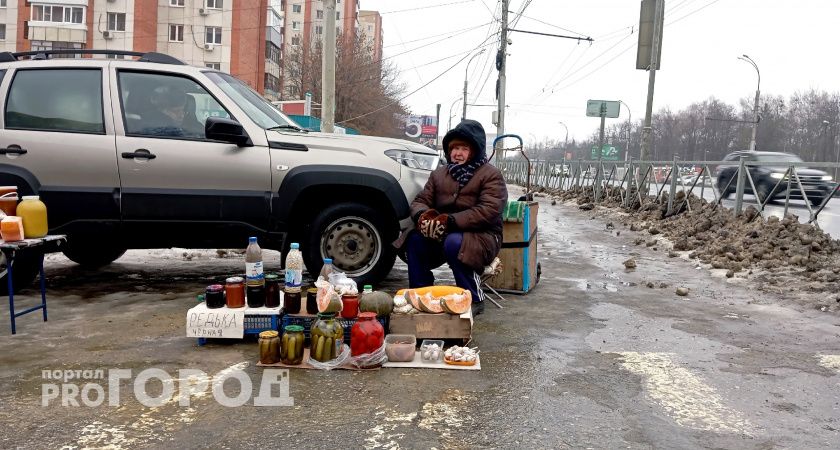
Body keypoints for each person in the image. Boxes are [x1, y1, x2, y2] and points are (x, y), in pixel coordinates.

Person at [397, 119, 507, 316]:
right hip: (444, 233)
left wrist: (450, 221)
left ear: (475, 150)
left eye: (464, 148)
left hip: (483, 236)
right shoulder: (439, 174)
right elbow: (420, 201)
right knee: (414, 239)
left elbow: (489, 210)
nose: (457, 153)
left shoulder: (491, 175)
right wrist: (424, 216)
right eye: (454, 148)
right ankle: (421, 294)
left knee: (454, 242)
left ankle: (474, 297)